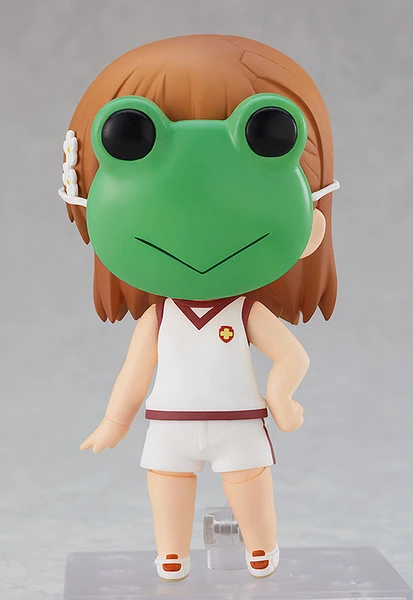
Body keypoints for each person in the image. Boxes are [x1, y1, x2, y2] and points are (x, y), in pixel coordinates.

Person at [58, 34, 339, 580]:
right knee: (167, 482)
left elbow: (292, 356)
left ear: (312, 222)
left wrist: (281, 397)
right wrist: (114, 421)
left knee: (248, 480)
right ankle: (172, 551)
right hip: (171, 420)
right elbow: (133, 376)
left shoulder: (244, 314)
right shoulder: (159, 318)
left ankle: (261, 547)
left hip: (239, 419)